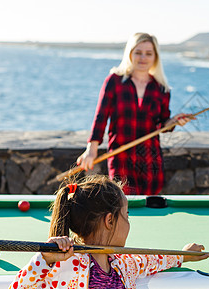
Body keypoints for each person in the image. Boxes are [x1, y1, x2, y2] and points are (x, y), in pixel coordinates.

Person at [5, 175, 209, 289]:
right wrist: (44, 260)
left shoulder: (123, 264)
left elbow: (150, 259)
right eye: (126, 216)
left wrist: (182, 256)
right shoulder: (62, 264)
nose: (129, 223)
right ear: (110, 220)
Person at [76, 32, 194, 195]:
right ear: (130, 53)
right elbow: (100, 117)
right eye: (138, 52)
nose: (143, 58)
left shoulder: (161, 88)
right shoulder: (114, 81)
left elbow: (162, 124)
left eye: (148, 53)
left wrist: (174, 121)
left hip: (150, 160)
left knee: (149, 209)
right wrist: (92, 149)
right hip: (120, 157)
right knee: (123, 207)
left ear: (155, 57)